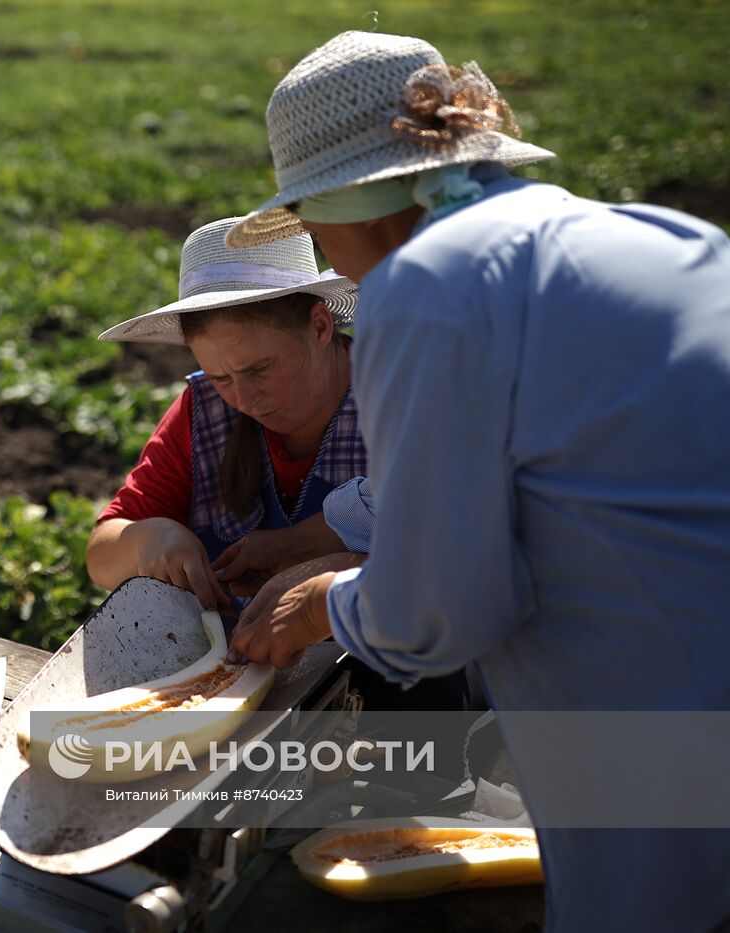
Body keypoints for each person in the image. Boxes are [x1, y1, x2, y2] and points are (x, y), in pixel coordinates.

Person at [223, 31, 730, 930]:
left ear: (347, 198)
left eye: (309, 221)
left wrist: (327, 602)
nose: (325, 254)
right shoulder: (662, 236)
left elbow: (445, 613)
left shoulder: (424, 285)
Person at [87, 218, 368, 610]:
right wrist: (149, 542)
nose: (245, 399)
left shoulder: (398, 398)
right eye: (221, 377)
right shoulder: (203, 412)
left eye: (260, 369)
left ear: (320, 326)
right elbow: (101, 555)